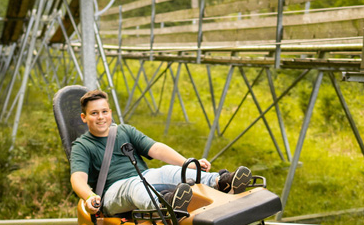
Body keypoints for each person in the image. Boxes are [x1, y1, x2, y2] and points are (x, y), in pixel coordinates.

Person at [70, 89, 252, 216]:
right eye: (94, 113)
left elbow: (156, 148)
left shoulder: (124, 131)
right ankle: (165, 205)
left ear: (110, 112)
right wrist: (90, 196)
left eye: (104, 112)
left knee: (166, 171)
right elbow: (78, 179)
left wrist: (187, 162)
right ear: (84, 118)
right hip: (113, 193)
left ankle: (221, 182)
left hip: (144, 177)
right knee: (135, 186)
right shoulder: (82, 146)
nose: (101, 117)